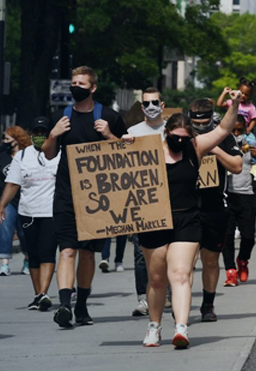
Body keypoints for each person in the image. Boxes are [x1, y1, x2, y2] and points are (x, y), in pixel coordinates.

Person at [138, 90, 242, 349]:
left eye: (185, 139)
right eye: (176, 138)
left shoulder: (195, 148)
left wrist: (236, 103)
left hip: (187, 220)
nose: (180, 143)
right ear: (166, 134)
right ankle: (154, 326)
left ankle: (181, 329)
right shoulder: (146, 151)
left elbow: (224, 129)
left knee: (181, 274)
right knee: (158, 279)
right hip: (154, 221)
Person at [43, 66, 128, 328]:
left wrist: (109, 136)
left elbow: (128, 154)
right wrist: (53, 134)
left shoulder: (110, 116)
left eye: (81, 83)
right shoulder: (60, 117)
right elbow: (46, 153)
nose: (75, 87)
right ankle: (65, 305)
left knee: (88, 254)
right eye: (73, 82)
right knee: (67, 250)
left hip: (97, 198)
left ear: (93, 88)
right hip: (67, 196)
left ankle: (82, 306)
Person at [189, 98, 243, 322]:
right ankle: (179, 300)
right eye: (196, 122)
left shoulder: (223, 135)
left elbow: (237, 166)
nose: (200, 127)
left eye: (204, 122)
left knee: (210, 260)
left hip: (214, 208)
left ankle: (208, 305)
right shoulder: (181, 134)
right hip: (187, 207)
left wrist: (213, 148)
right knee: (186, 262)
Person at [0, 118, 58, 310]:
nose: (39, 136)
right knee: (33, 254)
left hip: (51, 212)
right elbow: (12, 183)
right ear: (31, 135)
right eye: (36, 133)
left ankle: (43, 293)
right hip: (28, 211)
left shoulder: (59, 154)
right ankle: (37, 294)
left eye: (44, 132)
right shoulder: (22, 157)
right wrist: (2, 205)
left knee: (47, 252)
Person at [126, 88, 168, 316]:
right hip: (141, 201)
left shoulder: (172, 130)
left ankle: (167, 293)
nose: (151, 106)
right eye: (146, 103)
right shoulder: (132, 132)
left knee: (168, 250)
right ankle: (143, 298)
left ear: (162, 105)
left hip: (169, 199)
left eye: (155, 102)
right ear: (142, 107)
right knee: (141, 253)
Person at [222, 115, 256, 287]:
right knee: (227, 236)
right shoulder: (222, 143)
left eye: (239, 130)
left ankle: (243, 260)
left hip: (247, 194)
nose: (236, 133)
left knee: (249, 236)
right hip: (228, 194)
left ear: (245, 129)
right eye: (233, 130)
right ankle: (230, 271)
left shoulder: (251, 145)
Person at [0, 126, 29, 276]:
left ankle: (27, 259)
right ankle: (5, 263)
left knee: (24, 232)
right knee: (5, 226)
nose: (4, 142)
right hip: (8, 200)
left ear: (17, 140)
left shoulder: (28, 156)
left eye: (7, 139)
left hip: (26, 199)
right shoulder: (2, 156)